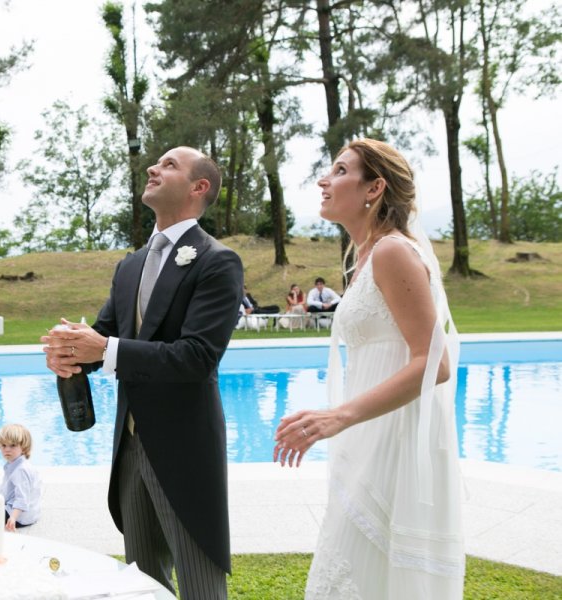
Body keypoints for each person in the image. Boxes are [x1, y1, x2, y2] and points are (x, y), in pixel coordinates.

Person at [42, 146, 243, 598]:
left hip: (185, 447)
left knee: (200, 584)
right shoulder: (129, 265)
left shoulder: (216, 261)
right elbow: (106, 337)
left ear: (199, 187)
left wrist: (104, 347)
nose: (153, 167)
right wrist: (69, 352)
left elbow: (197, 357)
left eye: (169, 164)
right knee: (141, 581)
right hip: (129, 448)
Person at [273, 139, 464, 598]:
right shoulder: (364, 257)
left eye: (339, 171)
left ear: (374, 188)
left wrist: (338, 416)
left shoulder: (393, 252)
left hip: (394, 444)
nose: (324, 180)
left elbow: (433, 363)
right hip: (369, 440)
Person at [0, 423, 43, 532]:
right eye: (3, 445)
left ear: (24, 447)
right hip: (25, 513)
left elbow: (22, 499)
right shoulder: (16, 465)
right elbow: (7, 490)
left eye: (12, 445)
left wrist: (13, 518)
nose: (7, 449)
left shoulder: (20, 471)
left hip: (19, 518)